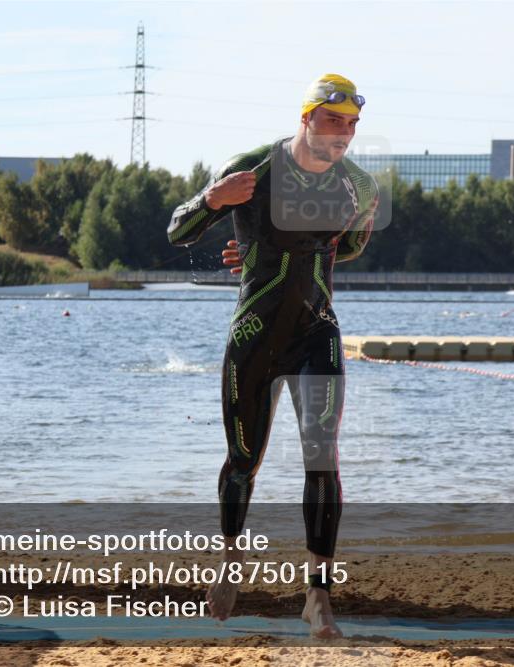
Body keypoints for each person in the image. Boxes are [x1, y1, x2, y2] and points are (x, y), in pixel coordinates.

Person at [167, 74, 378, 638]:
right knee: (243, 461)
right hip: (255, 333)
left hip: (317, 333)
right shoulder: (255, 167)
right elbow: (179, 230)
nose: (343, 134)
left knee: (322, 458)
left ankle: (317, 593)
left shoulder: (358, 184)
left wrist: (293, 244)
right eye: (333, 120)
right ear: (306, 117)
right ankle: (232, 559)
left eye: (352, 125)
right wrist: (214, 200)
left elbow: (348, 246)